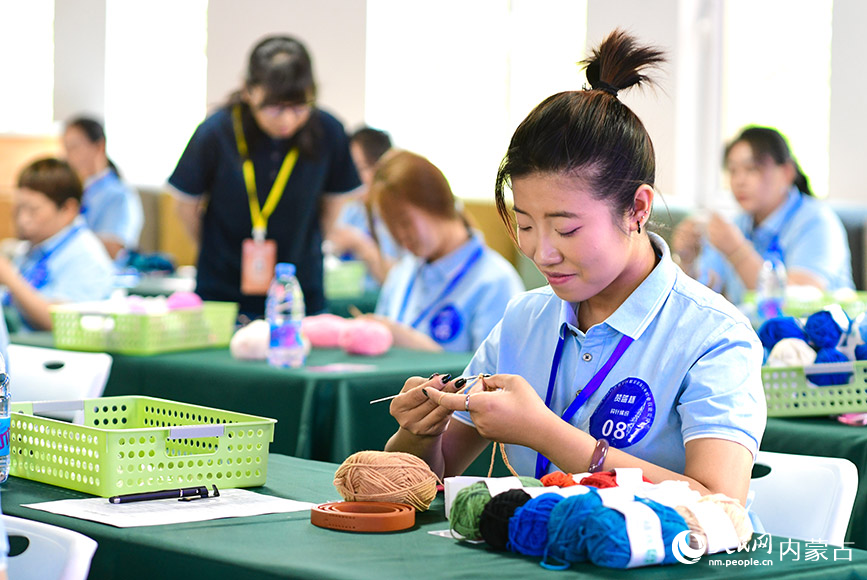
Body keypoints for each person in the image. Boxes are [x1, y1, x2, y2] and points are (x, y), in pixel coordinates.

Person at [383, 30, 766, 506]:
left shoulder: (713, 335)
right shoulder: (525, 319)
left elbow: (719, 504)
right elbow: (420, 483)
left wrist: (547, 434)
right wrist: (420, 433)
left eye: (566, 230)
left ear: (637, 208)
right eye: (524, 225)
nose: (542, 253)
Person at [168, 35, 360, 319]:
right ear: (247, 90)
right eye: (273, 107)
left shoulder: (328, 130)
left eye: (298, 106)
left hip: (299, 290)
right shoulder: (216, 131)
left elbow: (333, 204)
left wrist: (311, 243)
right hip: (223, 292)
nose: (287, 120)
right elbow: (186, 207)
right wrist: (216, 251)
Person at [672, 126, 854, 304]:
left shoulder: (817, 222)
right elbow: (706, 291)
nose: (739, 181)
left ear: (787, 172)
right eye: (733, 171)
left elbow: (797, 302)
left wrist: (736, 250)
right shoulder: (738, 224)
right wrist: (688, 259)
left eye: (752, 169)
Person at [368, 150, 524, 352]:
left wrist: (417, 346)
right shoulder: (403, 272)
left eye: (404, 222)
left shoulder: (496, 282)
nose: (399, 235)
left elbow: (495, 376)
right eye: (390, 226)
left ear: (435, 203)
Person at [0, 158, 115, 331]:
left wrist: (10, 279)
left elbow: (60, 322)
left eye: (33, 210)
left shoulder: (86, 256)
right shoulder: (34, 247)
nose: (23, 219)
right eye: (19, 209)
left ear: (68, 209)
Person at [326, 127, 402, 288]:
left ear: (380, 168)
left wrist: (360, 245)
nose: (350, 178)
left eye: (358, 168)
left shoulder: (397, 215)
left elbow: (398, 282)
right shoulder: (350, 209)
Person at [63, 116, 144, 259]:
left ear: (100, 146)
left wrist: (60, 238)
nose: (67, 156)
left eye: (74, 147)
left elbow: (113, 249)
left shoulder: (120, 195)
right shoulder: (74, 190)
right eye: (66, 148)